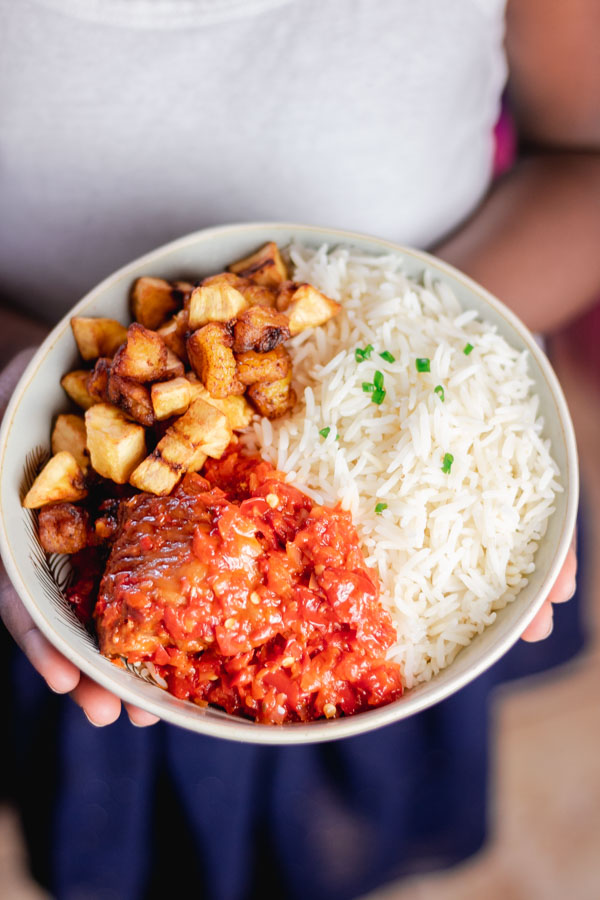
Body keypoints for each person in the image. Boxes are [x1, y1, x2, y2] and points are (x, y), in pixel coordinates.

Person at [0, 0, 596, 897]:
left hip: (418, 549)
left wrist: (450, 362)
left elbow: (584, 160)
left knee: (353, 826)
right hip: (63, 574)